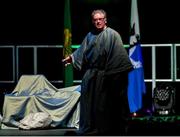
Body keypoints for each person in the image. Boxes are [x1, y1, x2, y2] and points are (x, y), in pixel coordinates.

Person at [62, 9, 133, 135]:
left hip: (107, 75)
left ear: (105, 20)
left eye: (100, 19)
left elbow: (119, 57)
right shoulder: (90, 35)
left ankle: (105, 129)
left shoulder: (112, 35)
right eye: (95, 20)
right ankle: (90, 128)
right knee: (88, 104)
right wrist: (71, 58)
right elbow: (81, 51)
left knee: (102, 105)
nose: (98, 22)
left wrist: (113, 76)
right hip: (91, 75)